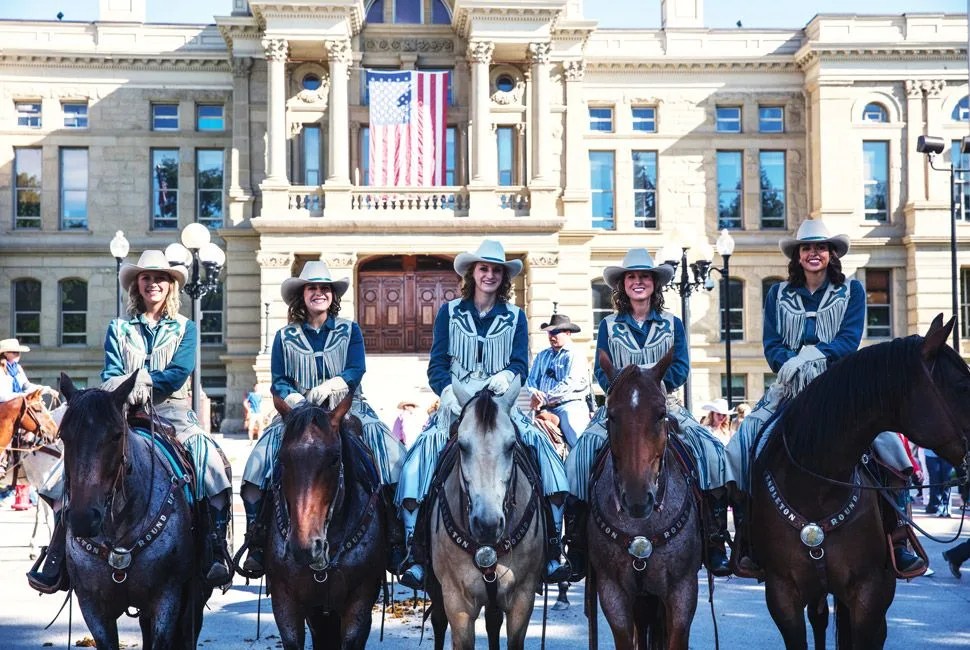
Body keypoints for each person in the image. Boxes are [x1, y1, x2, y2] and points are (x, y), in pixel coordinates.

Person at [27, 250, 233, 593]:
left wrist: (147, 381)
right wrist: (123, 388)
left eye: (161, 278)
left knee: (209, 460)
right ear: (137, 285)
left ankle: (213, 546)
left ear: (171, 287)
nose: (153, 283)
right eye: (146, 277)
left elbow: (180, 371)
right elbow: (110, 370)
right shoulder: (119, 328)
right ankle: (59, 548)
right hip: (123, 412)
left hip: (172, 412)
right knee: (77, 462)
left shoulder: (186, 328)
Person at [725, 219, 923, 574]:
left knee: (890, 445)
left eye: (820, 247)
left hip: (839, 387)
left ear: (831, 254)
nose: (813, 253)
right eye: (806, 248)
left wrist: (813, 356)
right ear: (798, 256)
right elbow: (772, 344)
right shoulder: (777, 295)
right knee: (743, 444)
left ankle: (898, 535)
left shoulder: (853, 292)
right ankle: (749, 537)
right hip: (790, 386)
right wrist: (794, 363)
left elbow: (848, 342)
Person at [395, 239, 571, 589]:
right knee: (416, 462)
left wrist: (510, 375)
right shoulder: (449, 312)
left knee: (548, 458)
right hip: (457, 403)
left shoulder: (516, 316)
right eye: (483, 268)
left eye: (495, 270)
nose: (489, 275)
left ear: (503, 277)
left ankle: (552, 550)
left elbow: (521, 361)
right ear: (472, 273)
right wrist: (445, 391)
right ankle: (415, 552)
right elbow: (438, 363)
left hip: (504, 406)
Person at [563, 248, 732, 579]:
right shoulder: (609, 325)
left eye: (644, 277)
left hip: (663, 405)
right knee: (579, 458)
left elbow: (680, 366)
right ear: (622, 285)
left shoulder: (673, 323)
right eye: (631, 277)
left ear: (655, 284)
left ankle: (714, 542)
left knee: (713, 453)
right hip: (620, 408)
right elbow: (601, 369)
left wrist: (651, 388)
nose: (638, 282)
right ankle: (577, 546)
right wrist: (624, 389)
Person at [239, 261, 406, 577]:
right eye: (312, 288)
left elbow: (356, 369)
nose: (319, 293)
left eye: (325, 288)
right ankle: (258, 539)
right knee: (258, 463)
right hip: (297, 416)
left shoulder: (349, 329)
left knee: (393, 456)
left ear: (333, 295)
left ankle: (396, 539)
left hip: (349, 410)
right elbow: (279, 380)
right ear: (302, 295)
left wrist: (333, 386)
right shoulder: (284, 336)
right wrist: (297, 402)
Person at [526, 312, 591, 448]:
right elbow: (531, 379)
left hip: (570, 407)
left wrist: (543, 398)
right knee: (521, 434)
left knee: (578, 441)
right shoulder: (542, 355)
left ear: (568, 333)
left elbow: (570, 382)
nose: (551, 336)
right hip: (544, 408)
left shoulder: (575, 355)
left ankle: (587, 467)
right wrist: (533, 393)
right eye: (550, 332)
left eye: (556, 332)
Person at [0, 338, 57, 403]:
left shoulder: (18, 368)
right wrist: (24, 395)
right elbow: (2, 396)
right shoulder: (1, 369)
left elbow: (27, 386)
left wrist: (47, 389)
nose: (18, 354)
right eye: (14, 352)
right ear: (5, 354)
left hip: (18, 403)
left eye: (18, 352)